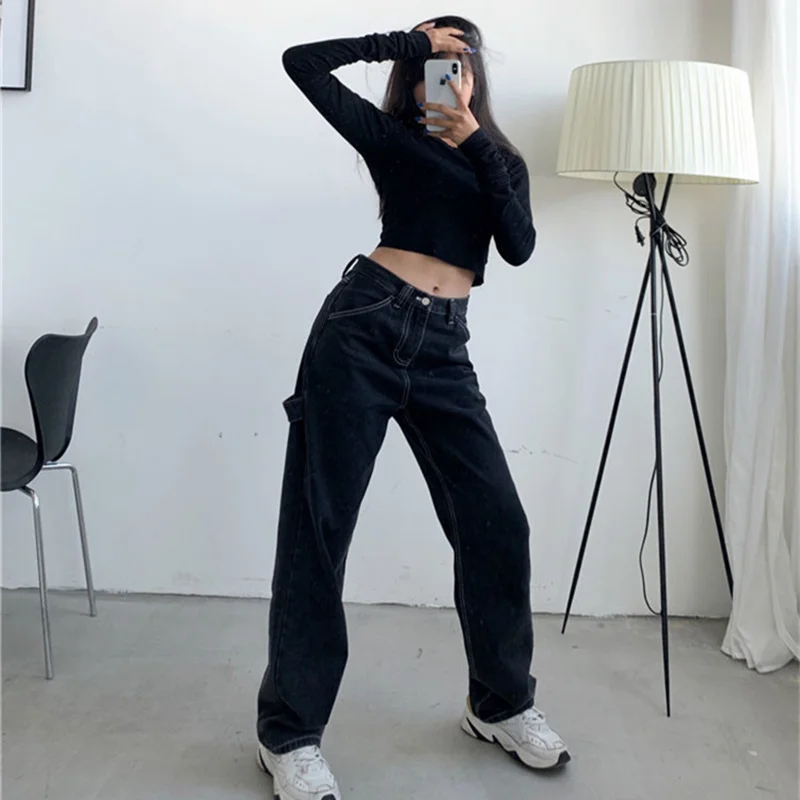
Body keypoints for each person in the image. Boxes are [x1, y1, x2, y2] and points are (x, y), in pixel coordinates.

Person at [256, 16, 570, 800]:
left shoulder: (500, 158)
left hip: (445, 351)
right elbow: (301, 62)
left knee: (498, 521)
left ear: (477, 72)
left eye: (461, 54)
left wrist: (474, 141)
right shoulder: (389, 137)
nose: (448, 65)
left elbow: (519, 244)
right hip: (361, 328)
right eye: (438, 54)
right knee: (319, 530)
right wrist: (403, 40)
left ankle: (499, 705)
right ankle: (288, 733)